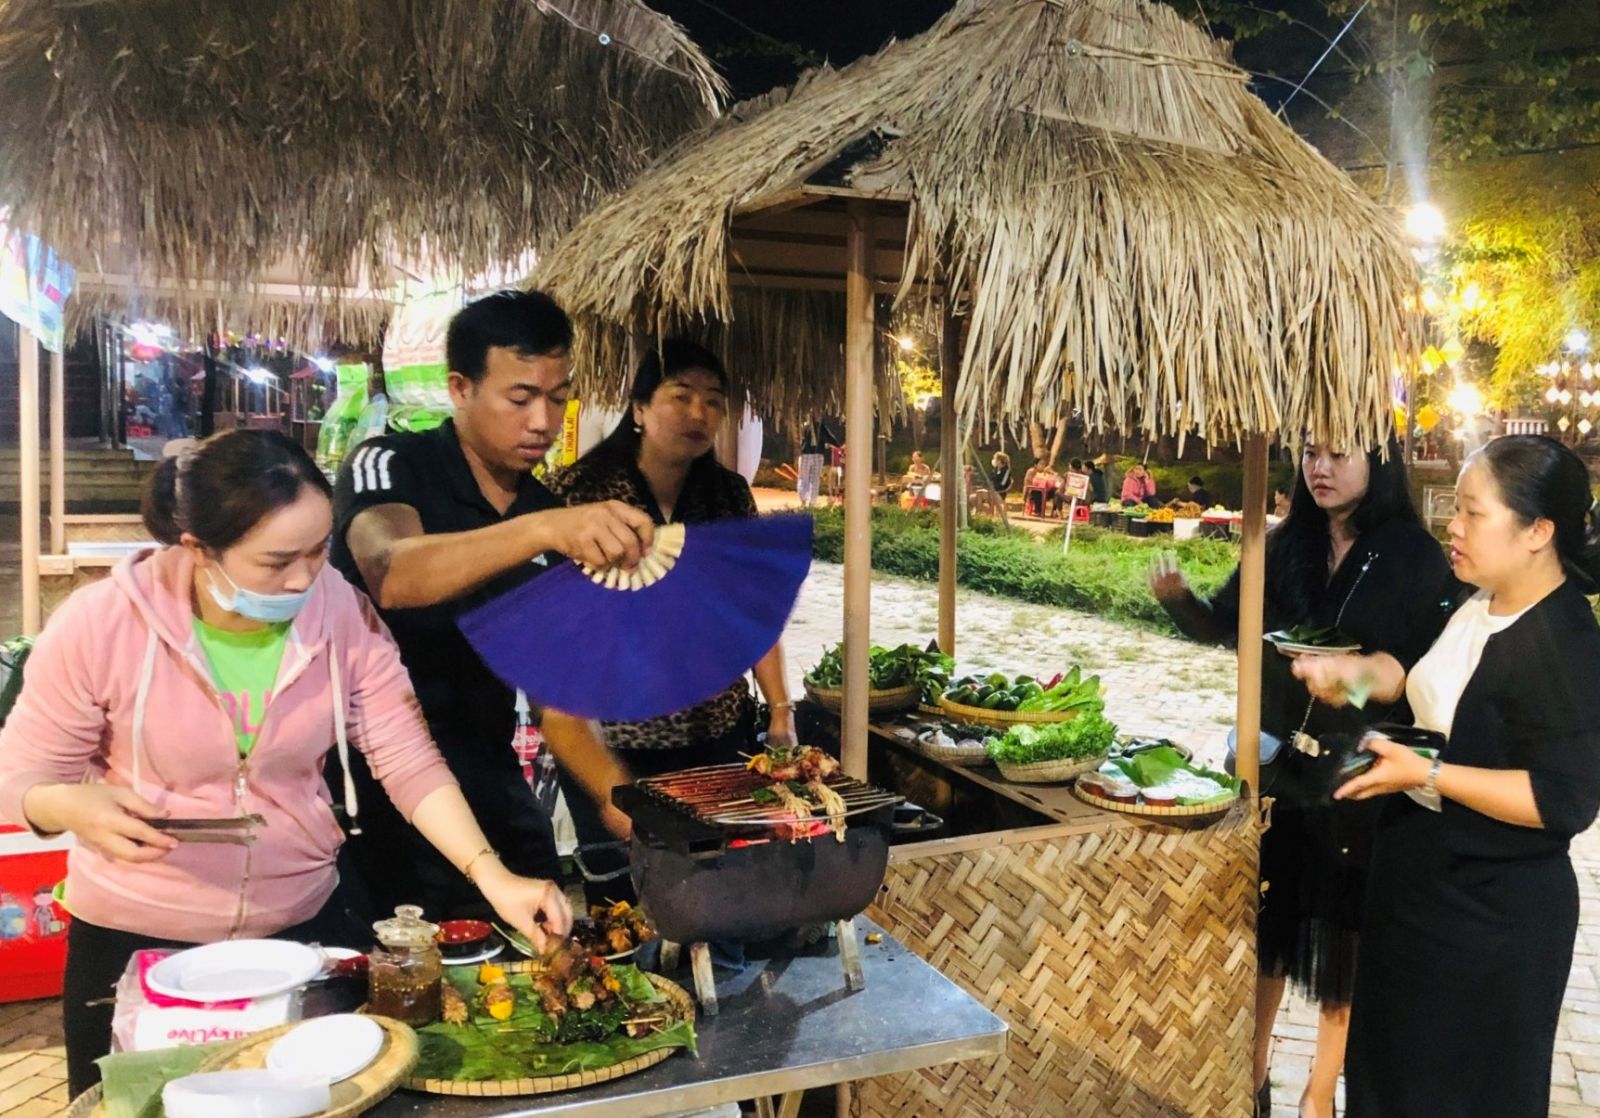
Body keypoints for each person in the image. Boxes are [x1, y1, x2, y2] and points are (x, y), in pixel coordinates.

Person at [0, 430, 572, 1095]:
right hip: (137, 943)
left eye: (318, 549)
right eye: (276, 562)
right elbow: (22, 777)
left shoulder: (340, 613)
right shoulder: (103, 624)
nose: (305, 577)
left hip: (299, 930)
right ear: (197, 550)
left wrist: (492, 874)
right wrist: (70, 804)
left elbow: (405, 754)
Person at [1294, 435, 1600, 1118]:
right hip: (1414, 886)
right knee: (1387, 1082)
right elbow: (1422, 675)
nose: (1451, 528)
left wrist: (1426, 772)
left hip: (1492, 917)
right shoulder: (1474, 600)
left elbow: (1562, 799)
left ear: (1538, 532)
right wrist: (1360, 675)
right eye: (1453, 510)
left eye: (1472, 513)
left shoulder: (1568, 642)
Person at [1149, 438, 1456, 1118]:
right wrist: (1178, 603)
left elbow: (1421, 667)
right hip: (1285, 760)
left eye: (1339, 454)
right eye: (1312, 454)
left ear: (1379, 462)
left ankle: (1320, 1094)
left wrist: (1356, 675)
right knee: (1276, 920)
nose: (1320, 467)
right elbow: (1229, 623)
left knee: (1343, 935)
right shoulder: (1286, 543)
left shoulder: (1412, 553)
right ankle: (1251, 1075)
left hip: (1365, 767)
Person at [329, 289, 650, 923]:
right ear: (460, 388)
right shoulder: (390, 464)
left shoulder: (547, 518)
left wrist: (623, 803)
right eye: (520, 397)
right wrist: (540, 532)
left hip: (492, 785)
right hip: (372, 794)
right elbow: (391, 571)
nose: (543, 422)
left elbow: (557, 701)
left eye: (558, 398)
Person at [546, 339, 797, 901]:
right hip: (612, 741)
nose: (698, 413)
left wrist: (779, 709)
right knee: (627, 901)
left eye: (713, 401)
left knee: (712, 894)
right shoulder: (578, 494)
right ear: (638, 409)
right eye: (680, 396)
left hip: (715, 737)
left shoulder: (728, 497)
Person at [797, 418, 838, 508]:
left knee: (808, 479)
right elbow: (830, 438)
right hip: (812, 454)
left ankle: (808, 502)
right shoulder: (814, 426)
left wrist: (836, 445)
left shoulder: (813, 426)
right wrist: (836, 445)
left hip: (811, 454)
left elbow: (828, 437)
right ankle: (807, 502)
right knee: (809, 479)